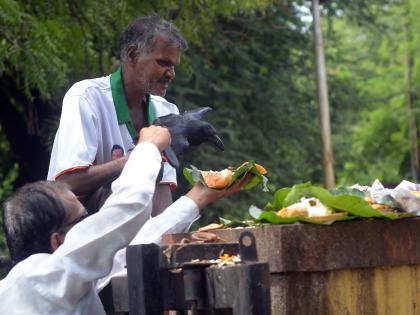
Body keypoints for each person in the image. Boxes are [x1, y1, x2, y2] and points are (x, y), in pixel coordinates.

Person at [0, 126, 247, 315]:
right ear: (58, 241)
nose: (92, 224)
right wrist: (148, 146)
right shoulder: (41, 279)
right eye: (84, 219)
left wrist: (197, 198)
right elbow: (127, 208)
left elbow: (126, 250)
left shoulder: (57, 277)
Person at [47, 15, 189, 215]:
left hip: (132, 238)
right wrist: (144, 154)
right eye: (163, 62)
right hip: (73, 234)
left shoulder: (167, 112)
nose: (171, 73)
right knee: (121, 185)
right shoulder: (86, 97)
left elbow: (160, 196)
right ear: (133, 55)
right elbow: (68, 183)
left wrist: (165, 241)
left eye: (173, 65)